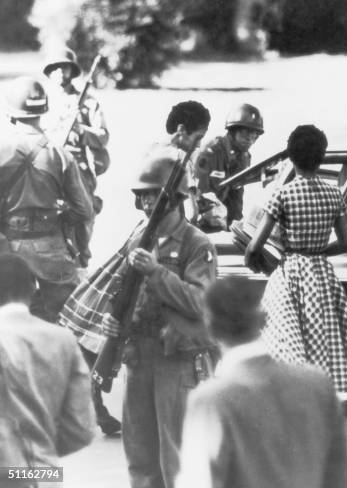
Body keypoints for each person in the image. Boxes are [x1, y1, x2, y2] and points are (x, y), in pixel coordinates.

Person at [100, 146, 218, 488]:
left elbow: (200, 302)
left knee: (176, 458)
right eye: (142, 196)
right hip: (139, 358)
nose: (148, 203)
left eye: (154, 195)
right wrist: (114, 323)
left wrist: (156, 272)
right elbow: (122, 293)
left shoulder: (198, 244)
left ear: (174, 198)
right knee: (140, 457)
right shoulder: (139, 238)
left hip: (176, 361)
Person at [176, 276, 347, 488]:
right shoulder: (317, 384)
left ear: (210, 327)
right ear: (263, 319)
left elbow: (198, 482)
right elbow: (342, 474)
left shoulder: (211, 401)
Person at [245, 124, 347, 395]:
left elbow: (255, 245)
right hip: (322, 275)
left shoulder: (282, 194)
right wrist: (319, 252)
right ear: (321, 157)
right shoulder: (333, 194)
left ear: (291, 157)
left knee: (283, 340)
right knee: (320, 342)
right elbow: (346, 243)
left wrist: (253, 256)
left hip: (290, 274)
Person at [0, 76, 93, 323]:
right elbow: (84, 210)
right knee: (65, 320)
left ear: (10, 115)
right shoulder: (59, 154)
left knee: (9, 322)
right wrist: (80, 247)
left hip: (8, 247)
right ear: (43, 112)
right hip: (51, 245)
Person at [0, 253, 96, 486]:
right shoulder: (63, 340)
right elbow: (81, 428)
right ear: (33, 290)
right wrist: (43, 450)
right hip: (43, 473)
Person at [42, 46, 110, 268]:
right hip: (47, 166)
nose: (61, 72)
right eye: (56, 68)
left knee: (84, 215)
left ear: (72, 71)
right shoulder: (41, 101)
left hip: (78, 167)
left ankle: (82, 261)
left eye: (65, 67)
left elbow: (103, 137)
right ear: (49, 72)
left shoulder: (89, 102)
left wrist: (82, 130)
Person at [196, 103, 263, 229]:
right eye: (244, 133)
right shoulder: (211, 152)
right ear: (233, 132)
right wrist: (216, 216)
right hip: (200, 215)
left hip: (220, 216)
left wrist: (234, 226)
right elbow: (198, 193)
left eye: (254, 135)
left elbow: (236, 192)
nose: (249, 139)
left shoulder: (244, 157)